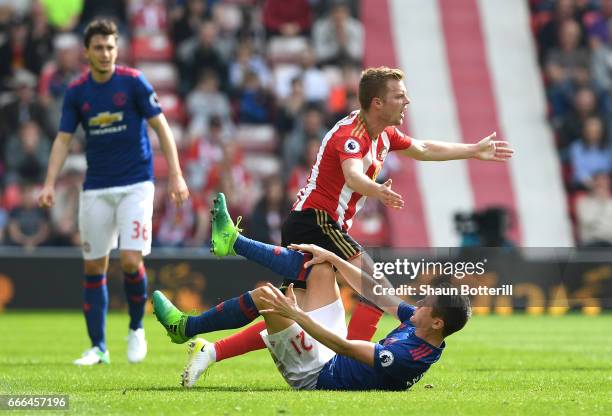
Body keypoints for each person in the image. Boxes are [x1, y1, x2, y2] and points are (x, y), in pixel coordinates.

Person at [189, 66, 512, 370]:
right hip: (315, 219)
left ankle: (208, 346)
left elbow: (423, 148)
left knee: (291, 312)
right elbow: (353, 175)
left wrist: (472, 150)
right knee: (374, 286)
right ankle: (353, 359)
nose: (407, 101)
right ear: (378, 102)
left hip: (321, 222)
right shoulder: (351, 135)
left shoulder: (384, 133)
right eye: (399, 95)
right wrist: (377, 190)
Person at [38, 19, 189, 365]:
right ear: (86, 52)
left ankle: (136, 328)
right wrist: (49, 182)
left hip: (136, 185)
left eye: (110, 47)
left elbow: (162, 127)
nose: (105, 53)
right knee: (94, 267)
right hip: (96, 188)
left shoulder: (133, 83)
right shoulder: (77, 92)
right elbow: (63, 139)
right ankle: (98, 348)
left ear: (117, 49)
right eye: (98, 48)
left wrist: (176, 175)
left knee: (132, 260)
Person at [152, 241, 471, 390]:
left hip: (317, 373)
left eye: (426, 303)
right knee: (318, 267)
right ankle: (235, 243)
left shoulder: (406, 356)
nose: (418, 303)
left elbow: (347, 348)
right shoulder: (420, 324)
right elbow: (377, 292)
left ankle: (187, 328)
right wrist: (332, 256)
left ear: (437, 321)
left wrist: (295, 314)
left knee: (267, 296)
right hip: (333, 354)